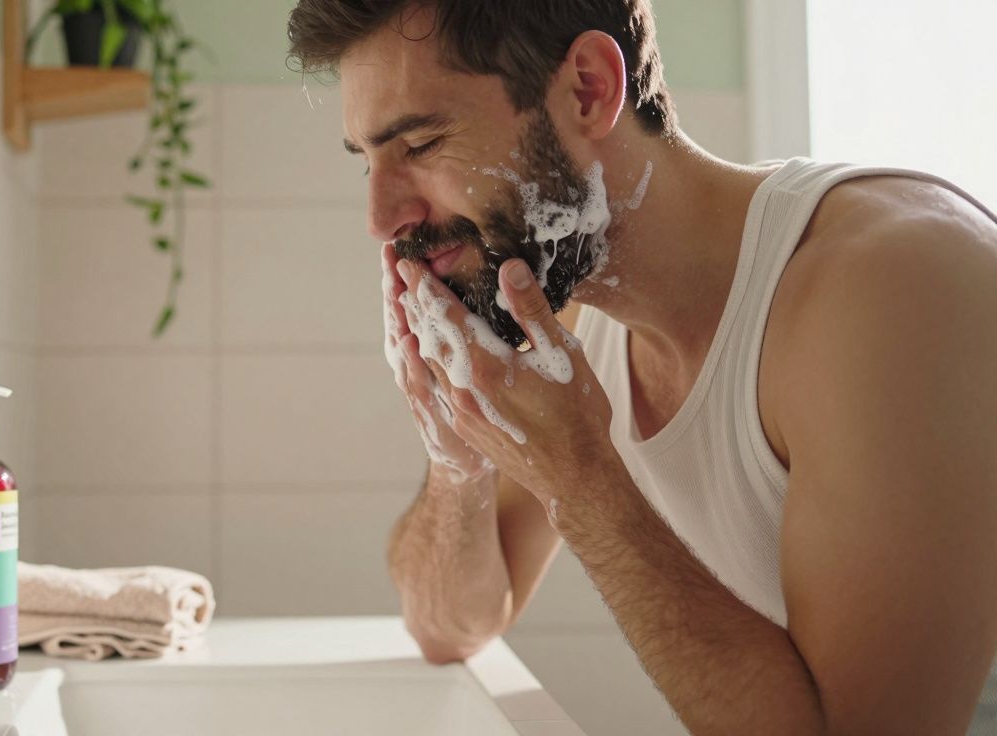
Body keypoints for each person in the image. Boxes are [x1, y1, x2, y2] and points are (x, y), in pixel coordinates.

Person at [286, 1, 997, 733]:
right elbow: (452, 625)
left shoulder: (888, 285)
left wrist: (583, 480)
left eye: (422, 143)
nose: (379, 217)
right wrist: (456, 452)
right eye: (367, 161)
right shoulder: (569, 311)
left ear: (589, 89)